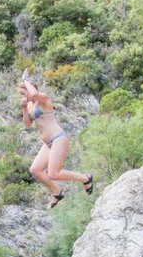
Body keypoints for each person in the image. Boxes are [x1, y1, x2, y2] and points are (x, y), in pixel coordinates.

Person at [18, 69, 93, 208]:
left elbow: (34, 93)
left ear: (31, 88)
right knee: (35, 170)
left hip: (58, 138)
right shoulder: (29, 105)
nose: (24, 96)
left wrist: (25, 80)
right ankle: (57, 192)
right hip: (47, 143)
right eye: (21, 94)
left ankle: (85, 178)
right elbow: (28, 124)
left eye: (25, 93)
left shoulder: (43, 98)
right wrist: (24, 107)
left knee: (54, 173)